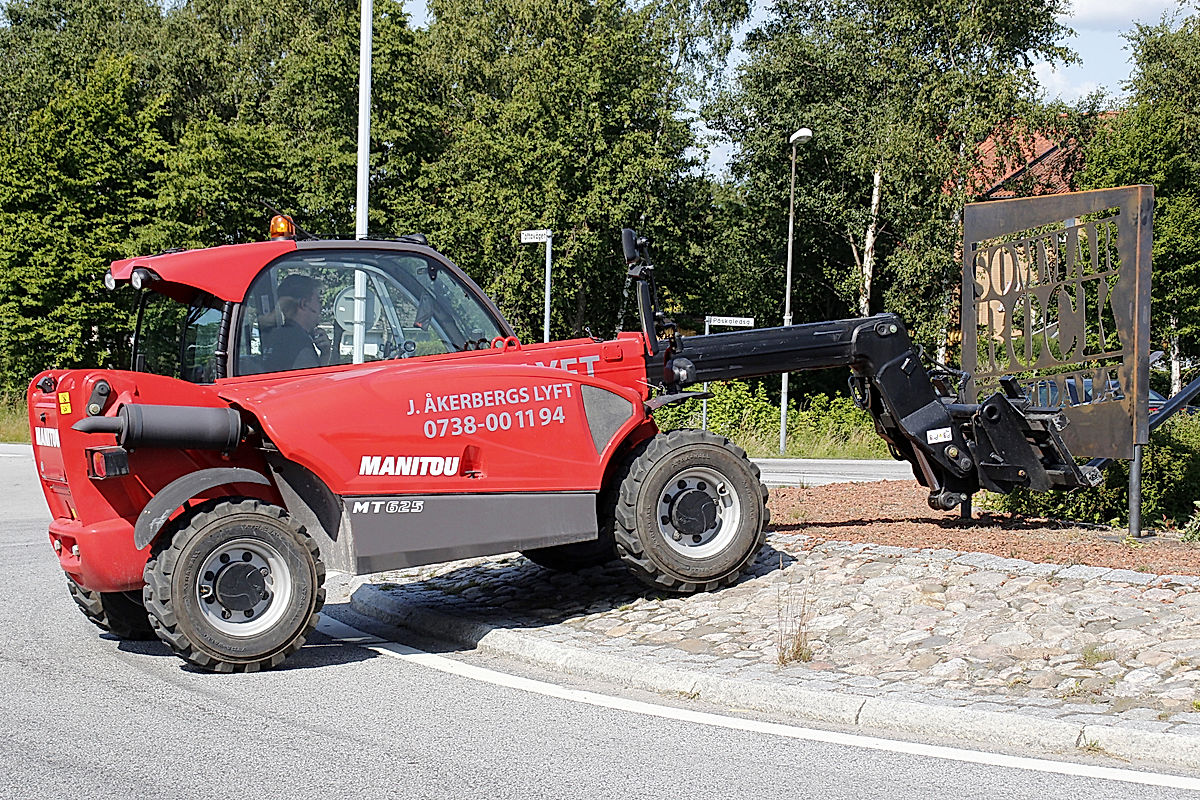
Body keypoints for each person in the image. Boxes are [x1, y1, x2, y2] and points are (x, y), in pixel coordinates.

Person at [261, 273, 331, 371]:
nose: (321, 307)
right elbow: (314, 384)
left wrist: (325, 355)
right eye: (318, 300)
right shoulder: (300, 346)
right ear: (304, 304)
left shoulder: (277, 336)